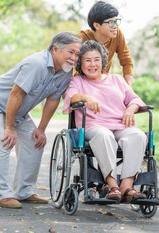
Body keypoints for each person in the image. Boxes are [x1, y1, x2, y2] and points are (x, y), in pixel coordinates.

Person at [0, 32, 81, 208]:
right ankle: (1, 195)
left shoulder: (65, 71)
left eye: (77, 54)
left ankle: (24, 192)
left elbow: (53, 99)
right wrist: (9, 128)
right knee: (5, 142)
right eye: (71, 52)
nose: (74, 58)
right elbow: (16, 94)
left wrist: (41, 129)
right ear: (55, 49)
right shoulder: (37, 64)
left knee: (35, 142)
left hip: (18, 112)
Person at [63, 40, 146, 203]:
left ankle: (126, 186)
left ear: (103, 62)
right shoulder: (78, 81)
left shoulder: (116, 79)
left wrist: (131, 108)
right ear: (80, 63)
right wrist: (86, 97)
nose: (92, 64)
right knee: (104, 135)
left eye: (96, 59)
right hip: (95, 127)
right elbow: (71, 97)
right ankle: (112, 185)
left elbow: (134, 98)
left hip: (120, 125)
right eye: (87, 60)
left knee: (138, 136)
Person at [76, 1, 134, 87]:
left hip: (102, 84)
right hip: (81, 85)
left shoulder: (117, 34)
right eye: (111, 23)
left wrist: (128, 90)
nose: (115, 26)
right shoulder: (81, 38)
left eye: (116, 21)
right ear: (96, 25)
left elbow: (126, 61)